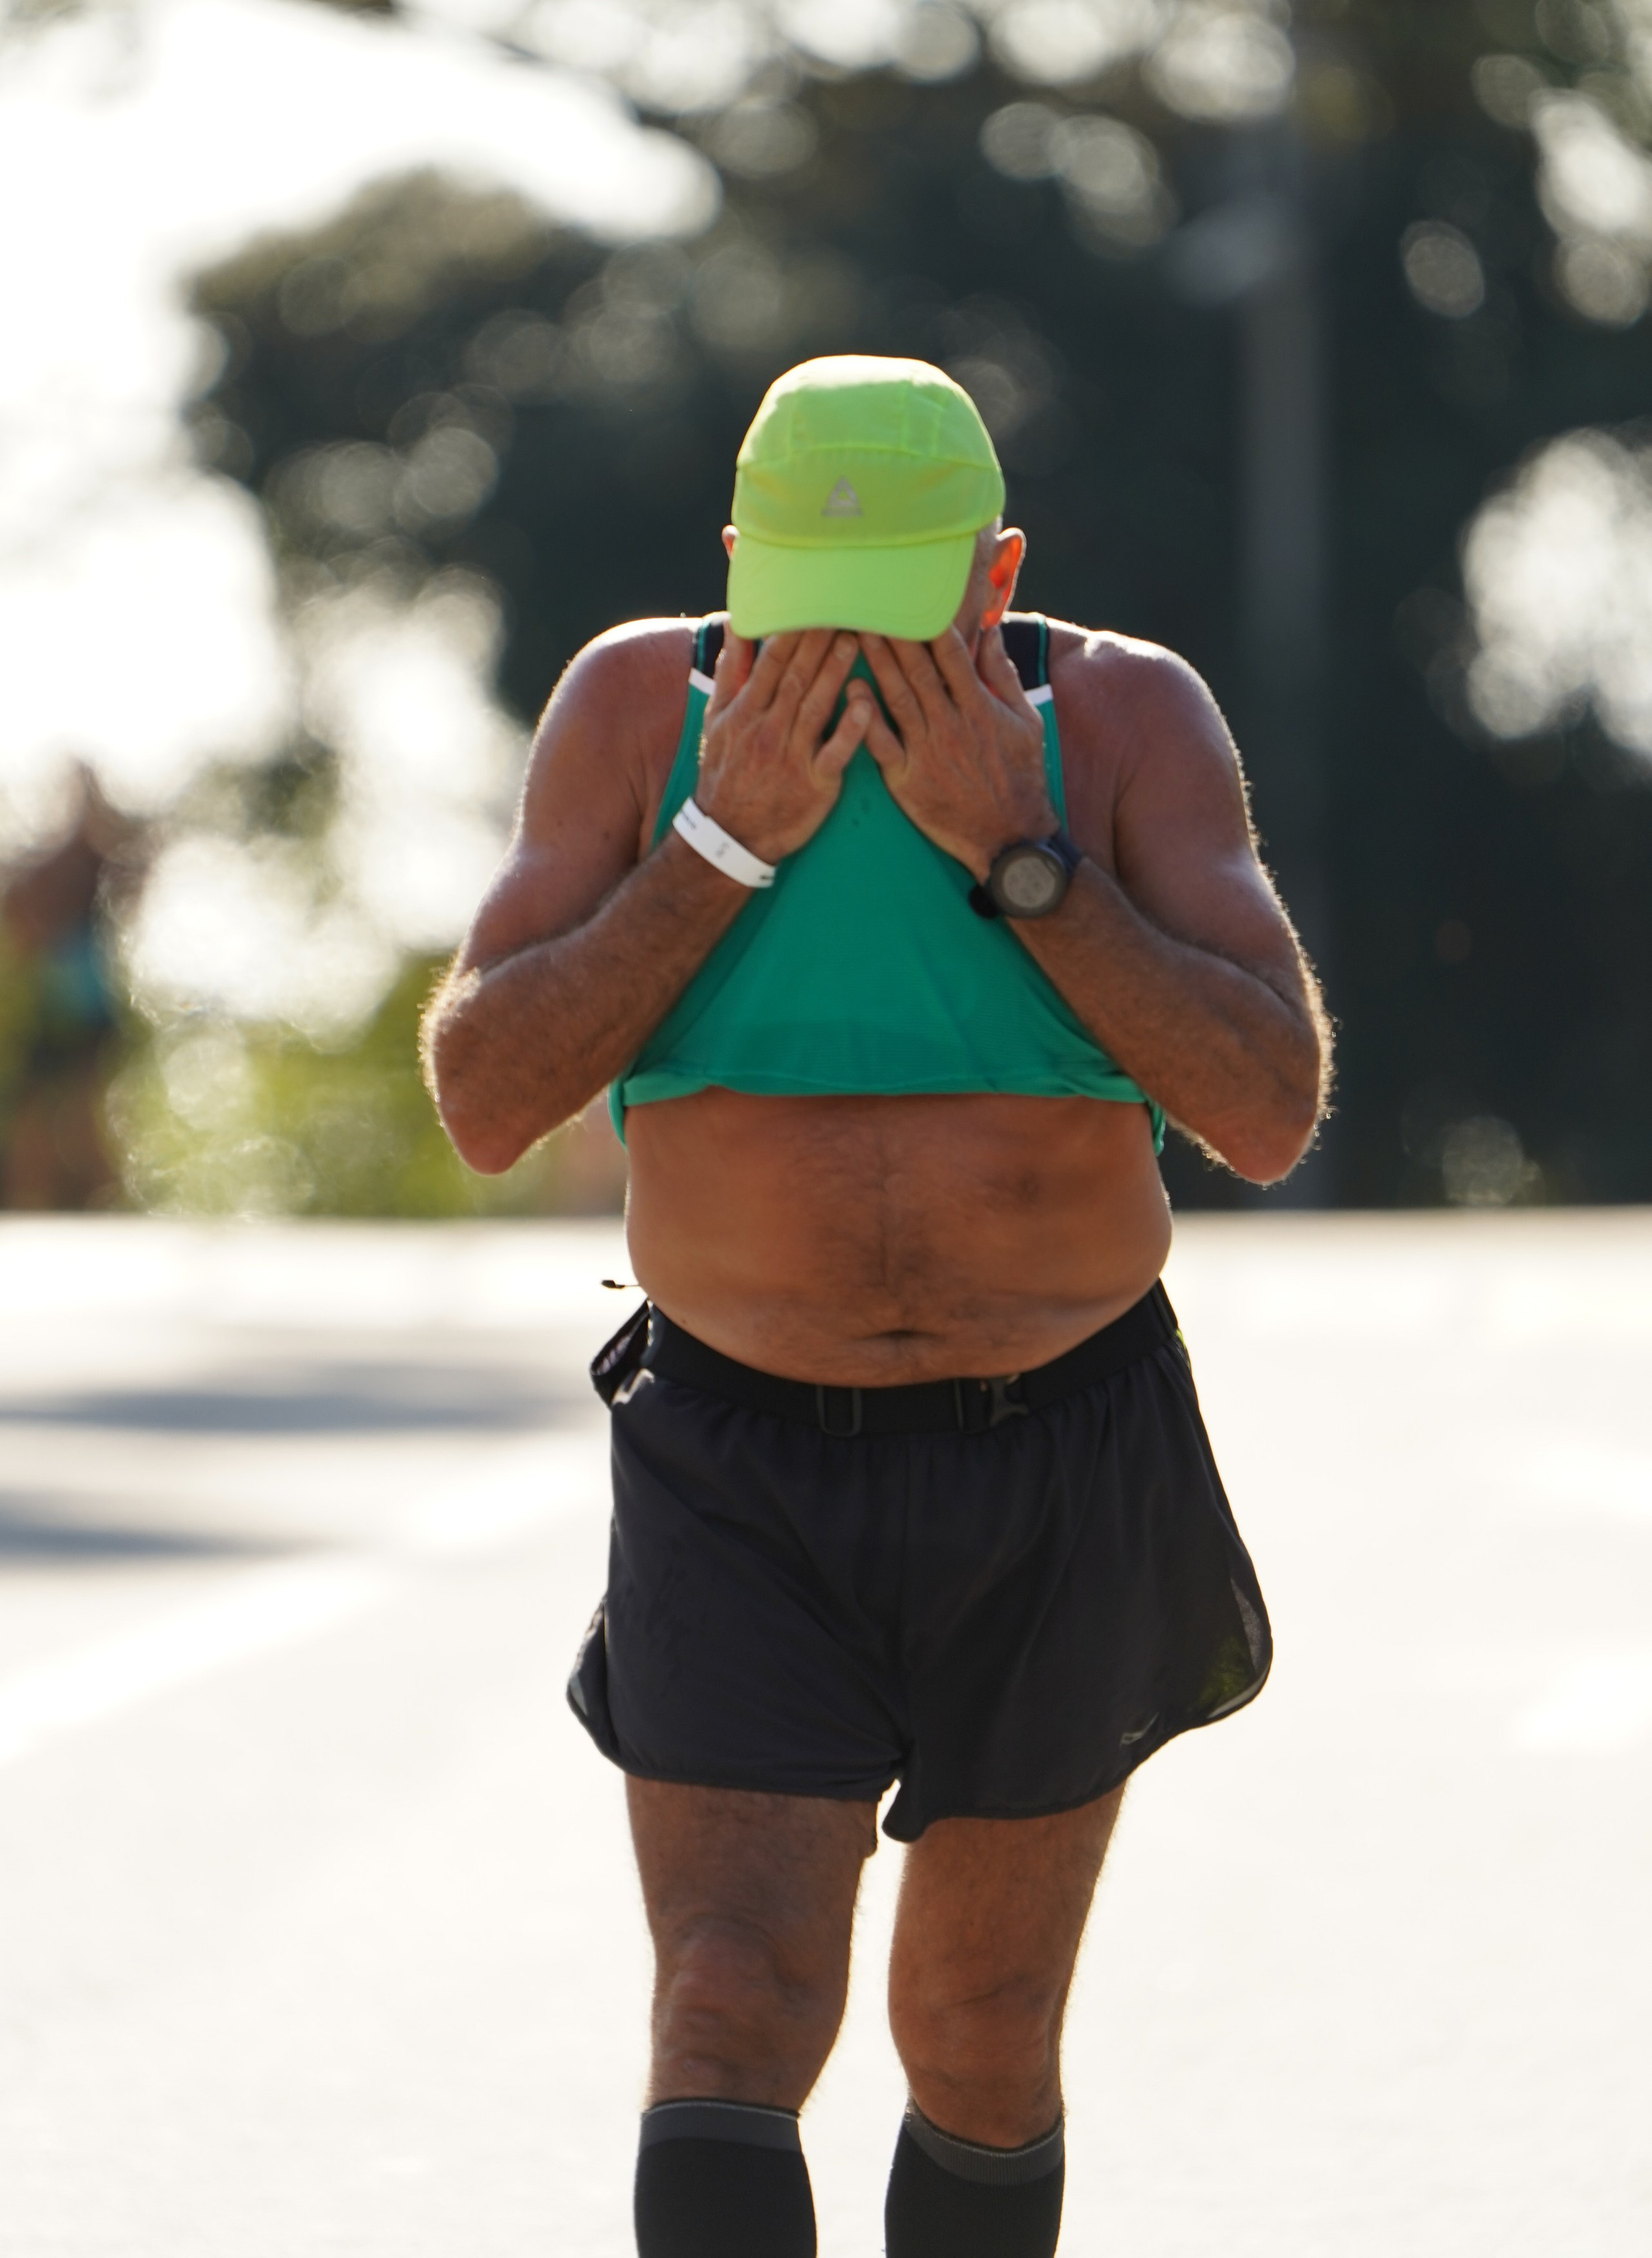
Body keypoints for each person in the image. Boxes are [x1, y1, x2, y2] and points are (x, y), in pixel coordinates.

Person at [423, 354, 1329, 2258]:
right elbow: (490, 1094)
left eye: (904, 616)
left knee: (983, 2039)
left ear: (997, 583)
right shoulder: (630, 710)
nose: (841, 655)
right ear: (736, 567)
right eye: (799, 613)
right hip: (740, 1451)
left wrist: (1022, 853)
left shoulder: (1126, 719)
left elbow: (1263, 1106)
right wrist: (718, 846)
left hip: (1060, 1438)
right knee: (733, 2003)